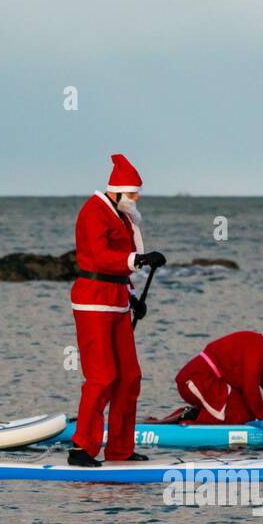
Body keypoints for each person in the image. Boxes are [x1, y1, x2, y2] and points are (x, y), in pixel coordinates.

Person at [69, 154, 166, 467]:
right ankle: (81, 449)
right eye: (133, 193)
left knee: (129, 377)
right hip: (93, 301)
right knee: (102, 377)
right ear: (117, 190)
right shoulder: (93, 211)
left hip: (117, 300)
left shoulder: (122, 214)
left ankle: (120, 450)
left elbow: (121, 265)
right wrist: (137, 261)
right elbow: (99, 256)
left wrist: (132, 294)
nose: (137, 198)